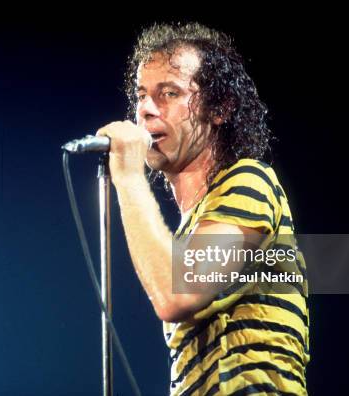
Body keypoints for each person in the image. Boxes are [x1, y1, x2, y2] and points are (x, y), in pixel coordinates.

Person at [96, 22, 309, 395]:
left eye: (169, 93)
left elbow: (176, 294)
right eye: (141, 94)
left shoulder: (249, 182)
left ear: (220, 109)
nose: (145, 109)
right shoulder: (190, 229)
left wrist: (129, 178)